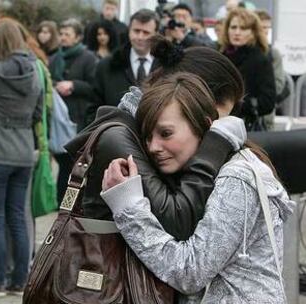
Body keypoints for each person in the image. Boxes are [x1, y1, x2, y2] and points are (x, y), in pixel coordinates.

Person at [100, 72, 294, 303]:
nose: (153, 147)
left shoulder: (238, 178)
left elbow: (190, 271)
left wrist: (127, 206)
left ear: (203, 126)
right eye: (147, 137)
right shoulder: (208, 172)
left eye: (165, 133)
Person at [65, 36, 246, 242]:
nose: (212, 130)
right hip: (101, 270)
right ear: (190, 96)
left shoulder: (141, 130)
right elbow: (179, 222)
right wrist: (217, 143)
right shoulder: (118, 138)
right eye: (216, 123)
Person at [0, 20, 43, 297]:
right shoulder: (36, 71)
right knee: (17, 217)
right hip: (24, 153)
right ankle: (20, 280)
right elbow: (38, 114)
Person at [49, 18, 97, 203]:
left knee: (75, 167)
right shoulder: (55, 58)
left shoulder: (88, 58)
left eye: (67, 34)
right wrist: (55, 85)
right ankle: (62, 203)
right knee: (63, 163)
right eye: (61, 34)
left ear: (77, 37)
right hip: (58, 120)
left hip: (78, 121)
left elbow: (94, 88)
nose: (63, 38)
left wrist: (74, 85)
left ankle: (71, 203)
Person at [86, 9, 160, 125]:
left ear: (156, 35)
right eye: (136, 31)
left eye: (146, 32)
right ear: (129, 31)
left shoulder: (167, 67)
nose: (140, 37)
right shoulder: (106, 66)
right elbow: (93, 110)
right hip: (114, 137)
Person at [220, 8, 276, 131]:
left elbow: (268, 102)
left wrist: (234, 104)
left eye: (243, 28)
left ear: (253, 32)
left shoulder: (260, 59)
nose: (237, 32)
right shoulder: (220, 56)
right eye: (233, 27)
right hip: (219, 124)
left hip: (246, 127)